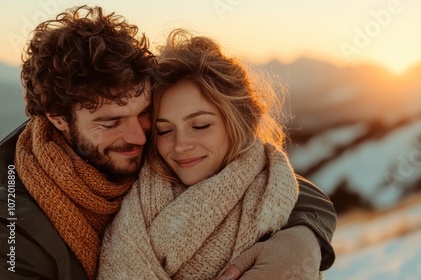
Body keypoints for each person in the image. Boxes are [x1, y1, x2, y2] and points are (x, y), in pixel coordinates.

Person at [0, 5, 335, 280]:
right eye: (111, 122)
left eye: (144, 113)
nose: (137, 137)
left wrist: (304, 236)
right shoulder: (15, 230)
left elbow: (259, 177)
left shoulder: (152, 148)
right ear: (58, 118)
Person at [98, 29, 327, 280]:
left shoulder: (276, 199)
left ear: (238, 122)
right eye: (164, 130)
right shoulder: (126, 184)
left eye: (200, 126)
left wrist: (304, 236)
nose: (181, 145)